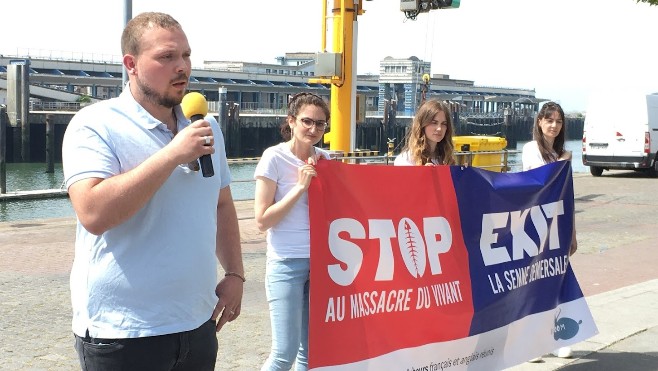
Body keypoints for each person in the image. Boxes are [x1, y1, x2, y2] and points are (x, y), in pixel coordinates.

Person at [62, 12, 244, 371]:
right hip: (122, 333)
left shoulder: (206, 128)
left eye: (186, 56)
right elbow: (94, 213)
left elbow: (221, 204)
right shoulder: (95, 124)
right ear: (131, 64)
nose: (182, 67)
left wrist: (236, 274)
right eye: (167, 57)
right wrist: (173, 154)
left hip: (196, 324)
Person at [253, 92, 331, 371]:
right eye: (307, 121)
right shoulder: (273, 158)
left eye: (321, 124)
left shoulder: (325, 160)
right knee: (283, 354)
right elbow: (261, 220)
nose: (313, 129)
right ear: (291, 121)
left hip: (322, 265)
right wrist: (300, 188)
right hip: (286, 263)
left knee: (311, 354)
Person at [522, 101, 577, 361]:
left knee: (556, 280)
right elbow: (544, 179)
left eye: (558, 121)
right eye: (549, 120)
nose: (554, 125)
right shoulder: (532, 149)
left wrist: (573, 232)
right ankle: (531, 342)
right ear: (540, 122)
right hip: (533, 225)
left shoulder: (563, 154)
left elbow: (567, 194)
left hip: (558, 225)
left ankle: (557, 337)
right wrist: (564, 161)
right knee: (533, 282)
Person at [394, 99, 456, 166]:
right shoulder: (405, 159)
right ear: (423, 125)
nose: (439, 128)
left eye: (444, 124)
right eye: (434, 123)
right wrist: (424, 173)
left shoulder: (447, 159)